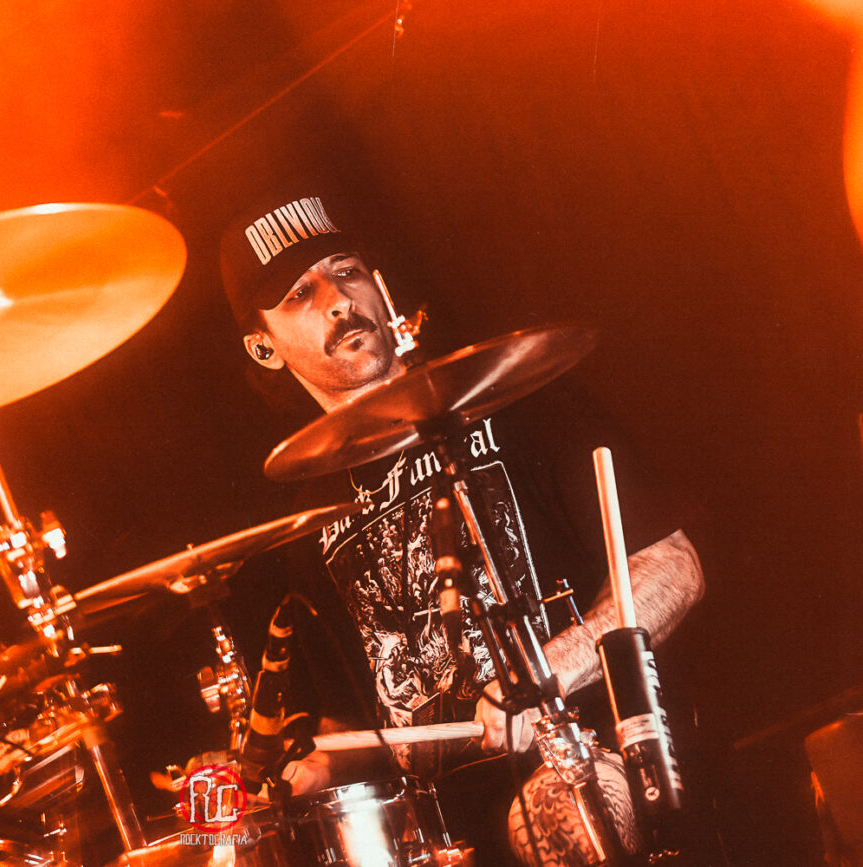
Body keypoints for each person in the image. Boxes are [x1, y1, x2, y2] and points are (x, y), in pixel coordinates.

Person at [218, 190, 705, 864]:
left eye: (346, 270)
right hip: (443, 829)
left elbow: (673, 566)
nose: (338, 300)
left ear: (379, 284)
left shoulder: (516, 398)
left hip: (593, 759)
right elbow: (354, 717)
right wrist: (310, 766)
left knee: (558, 823)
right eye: (301, 293)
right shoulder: (309, 518)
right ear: (263, 347)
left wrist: (545, 674)